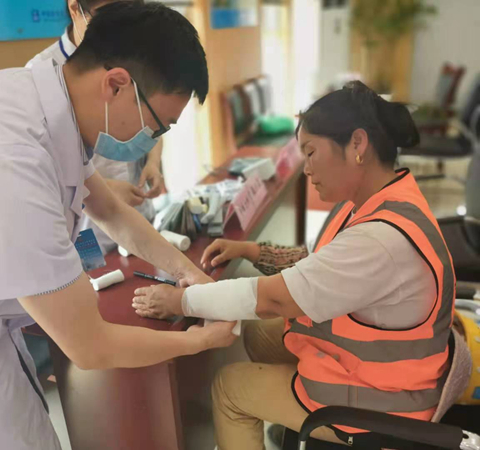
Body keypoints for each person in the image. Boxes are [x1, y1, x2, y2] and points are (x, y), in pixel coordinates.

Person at [0, 3, 237, 450]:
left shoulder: (48, 106)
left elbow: (110, 211)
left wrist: (189, 274)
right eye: (157, 126)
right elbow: (90, 346)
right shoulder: (2, 158)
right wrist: (198, 341)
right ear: (116, 84)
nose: (152, 139)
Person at [132, 81, 456, 449]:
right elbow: (320, 266)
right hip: (377, 372)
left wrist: (181, 301)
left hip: (383, 403)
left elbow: (274, 300)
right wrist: (252, 251)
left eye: (312, 152)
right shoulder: (379, 200)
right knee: (259, 334)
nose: (307, 168)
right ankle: (291, 416)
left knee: (229, 388)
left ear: (357, 144)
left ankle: (298, 415)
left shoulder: (378, 240)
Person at [28, 0, 165, 254]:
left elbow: (154, 122)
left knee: (149, 268)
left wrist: (153, 163)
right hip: (87, 229)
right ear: (75, 9)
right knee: (99, 275)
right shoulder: (41, 76)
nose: (121, 31)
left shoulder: (135, 59)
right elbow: (43, 173)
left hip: (139, 214)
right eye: (111, 15)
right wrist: (107, 190)